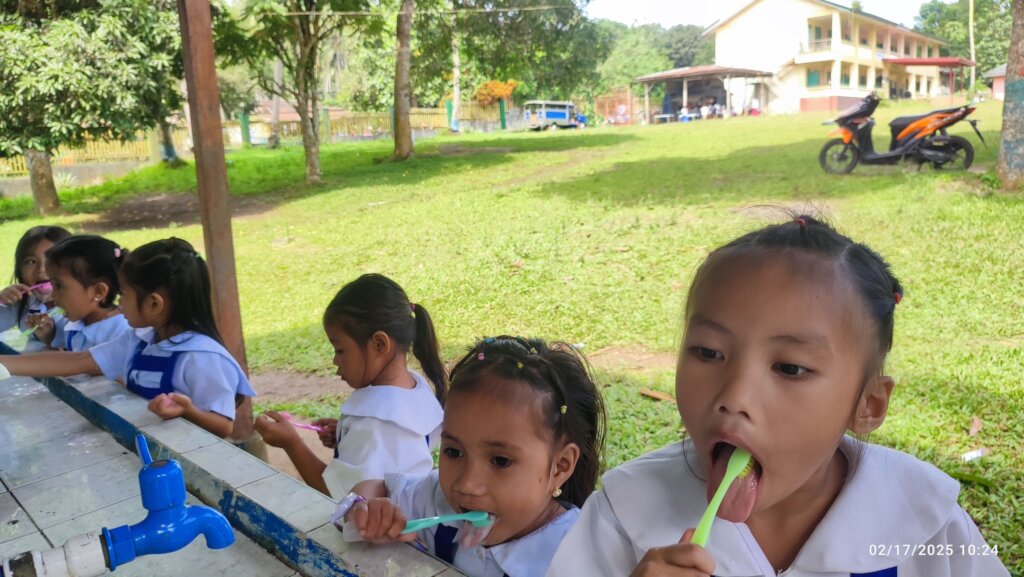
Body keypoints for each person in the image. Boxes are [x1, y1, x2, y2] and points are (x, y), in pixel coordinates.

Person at [547, 215, 1010, 577]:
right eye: (708, 352)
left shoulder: (924, 521)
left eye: (790, 368)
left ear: (868, 405)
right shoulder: (627, 514)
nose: (734, 397)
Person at [340, 336, 606, 577]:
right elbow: (376, 487)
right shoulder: (437, 502)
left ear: (559, 467)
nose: (466, 484)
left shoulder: (575, 559)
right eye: (454, 452)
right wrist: (366, 509)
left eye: (500, 461)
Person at [0, 238, 255, 438]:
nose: (119, 303)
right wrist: (4, 363)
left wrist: (188, 411)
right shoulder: (140, 340)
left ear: (154, 304)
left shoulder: (200, 356)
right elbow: (79, 361)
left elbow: (224, 427)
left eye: (123, 295)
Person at [255, 274, 447, 498]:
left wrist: (291, 443)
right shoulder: (414, 385)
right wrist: (347, 434)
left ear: (379, 344)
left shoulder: (372, 427)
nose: (335, 360)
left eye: (340, 350)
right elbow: (402, 445)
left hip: (371, 530)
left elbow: (338, 496)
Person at [43, 235, 132, 352]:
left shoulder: (122, 333)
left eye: (59, 286)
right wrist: (49, 335)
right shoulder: (77, 322)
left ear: (98, 291)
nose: (52, 295)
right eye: (52, 284)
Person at [0, 226, 71, 353]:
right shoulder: (23, 302)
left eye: (51, 260)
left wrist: (52, 336)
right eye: (31, 261)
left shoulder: (81, 306)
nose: (41, 269)